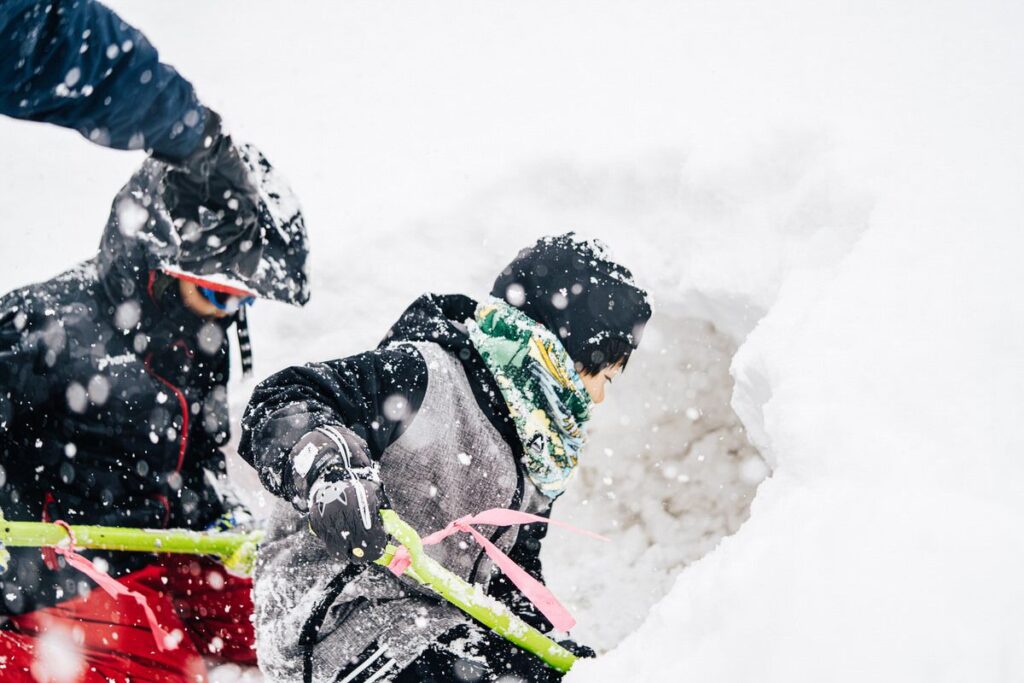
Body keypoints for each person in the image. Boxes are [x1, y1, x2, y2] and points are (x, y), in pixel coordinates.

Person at [0, 1, 310, 680]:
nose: (227, 314)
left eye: (242, 301)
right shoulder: (42, 329)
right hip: (53, 578)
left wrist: (223, 537)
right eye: (219, 291)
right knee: (155, 659)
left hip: (156, 555)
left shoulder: (198, 340)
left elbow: (192, 464)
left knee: (279, 622)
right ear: (160, 271)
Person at [239, 234, 652, 682]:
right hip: (335, 616)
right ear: (563, 356)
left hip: (434, 623)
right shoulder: (424, 374)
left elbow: (508, 575)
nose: (599, 398)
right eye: (604, 378)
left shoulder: (538, 450)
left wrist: (544, 655)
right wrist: (333, 472)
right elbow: (283, 400)